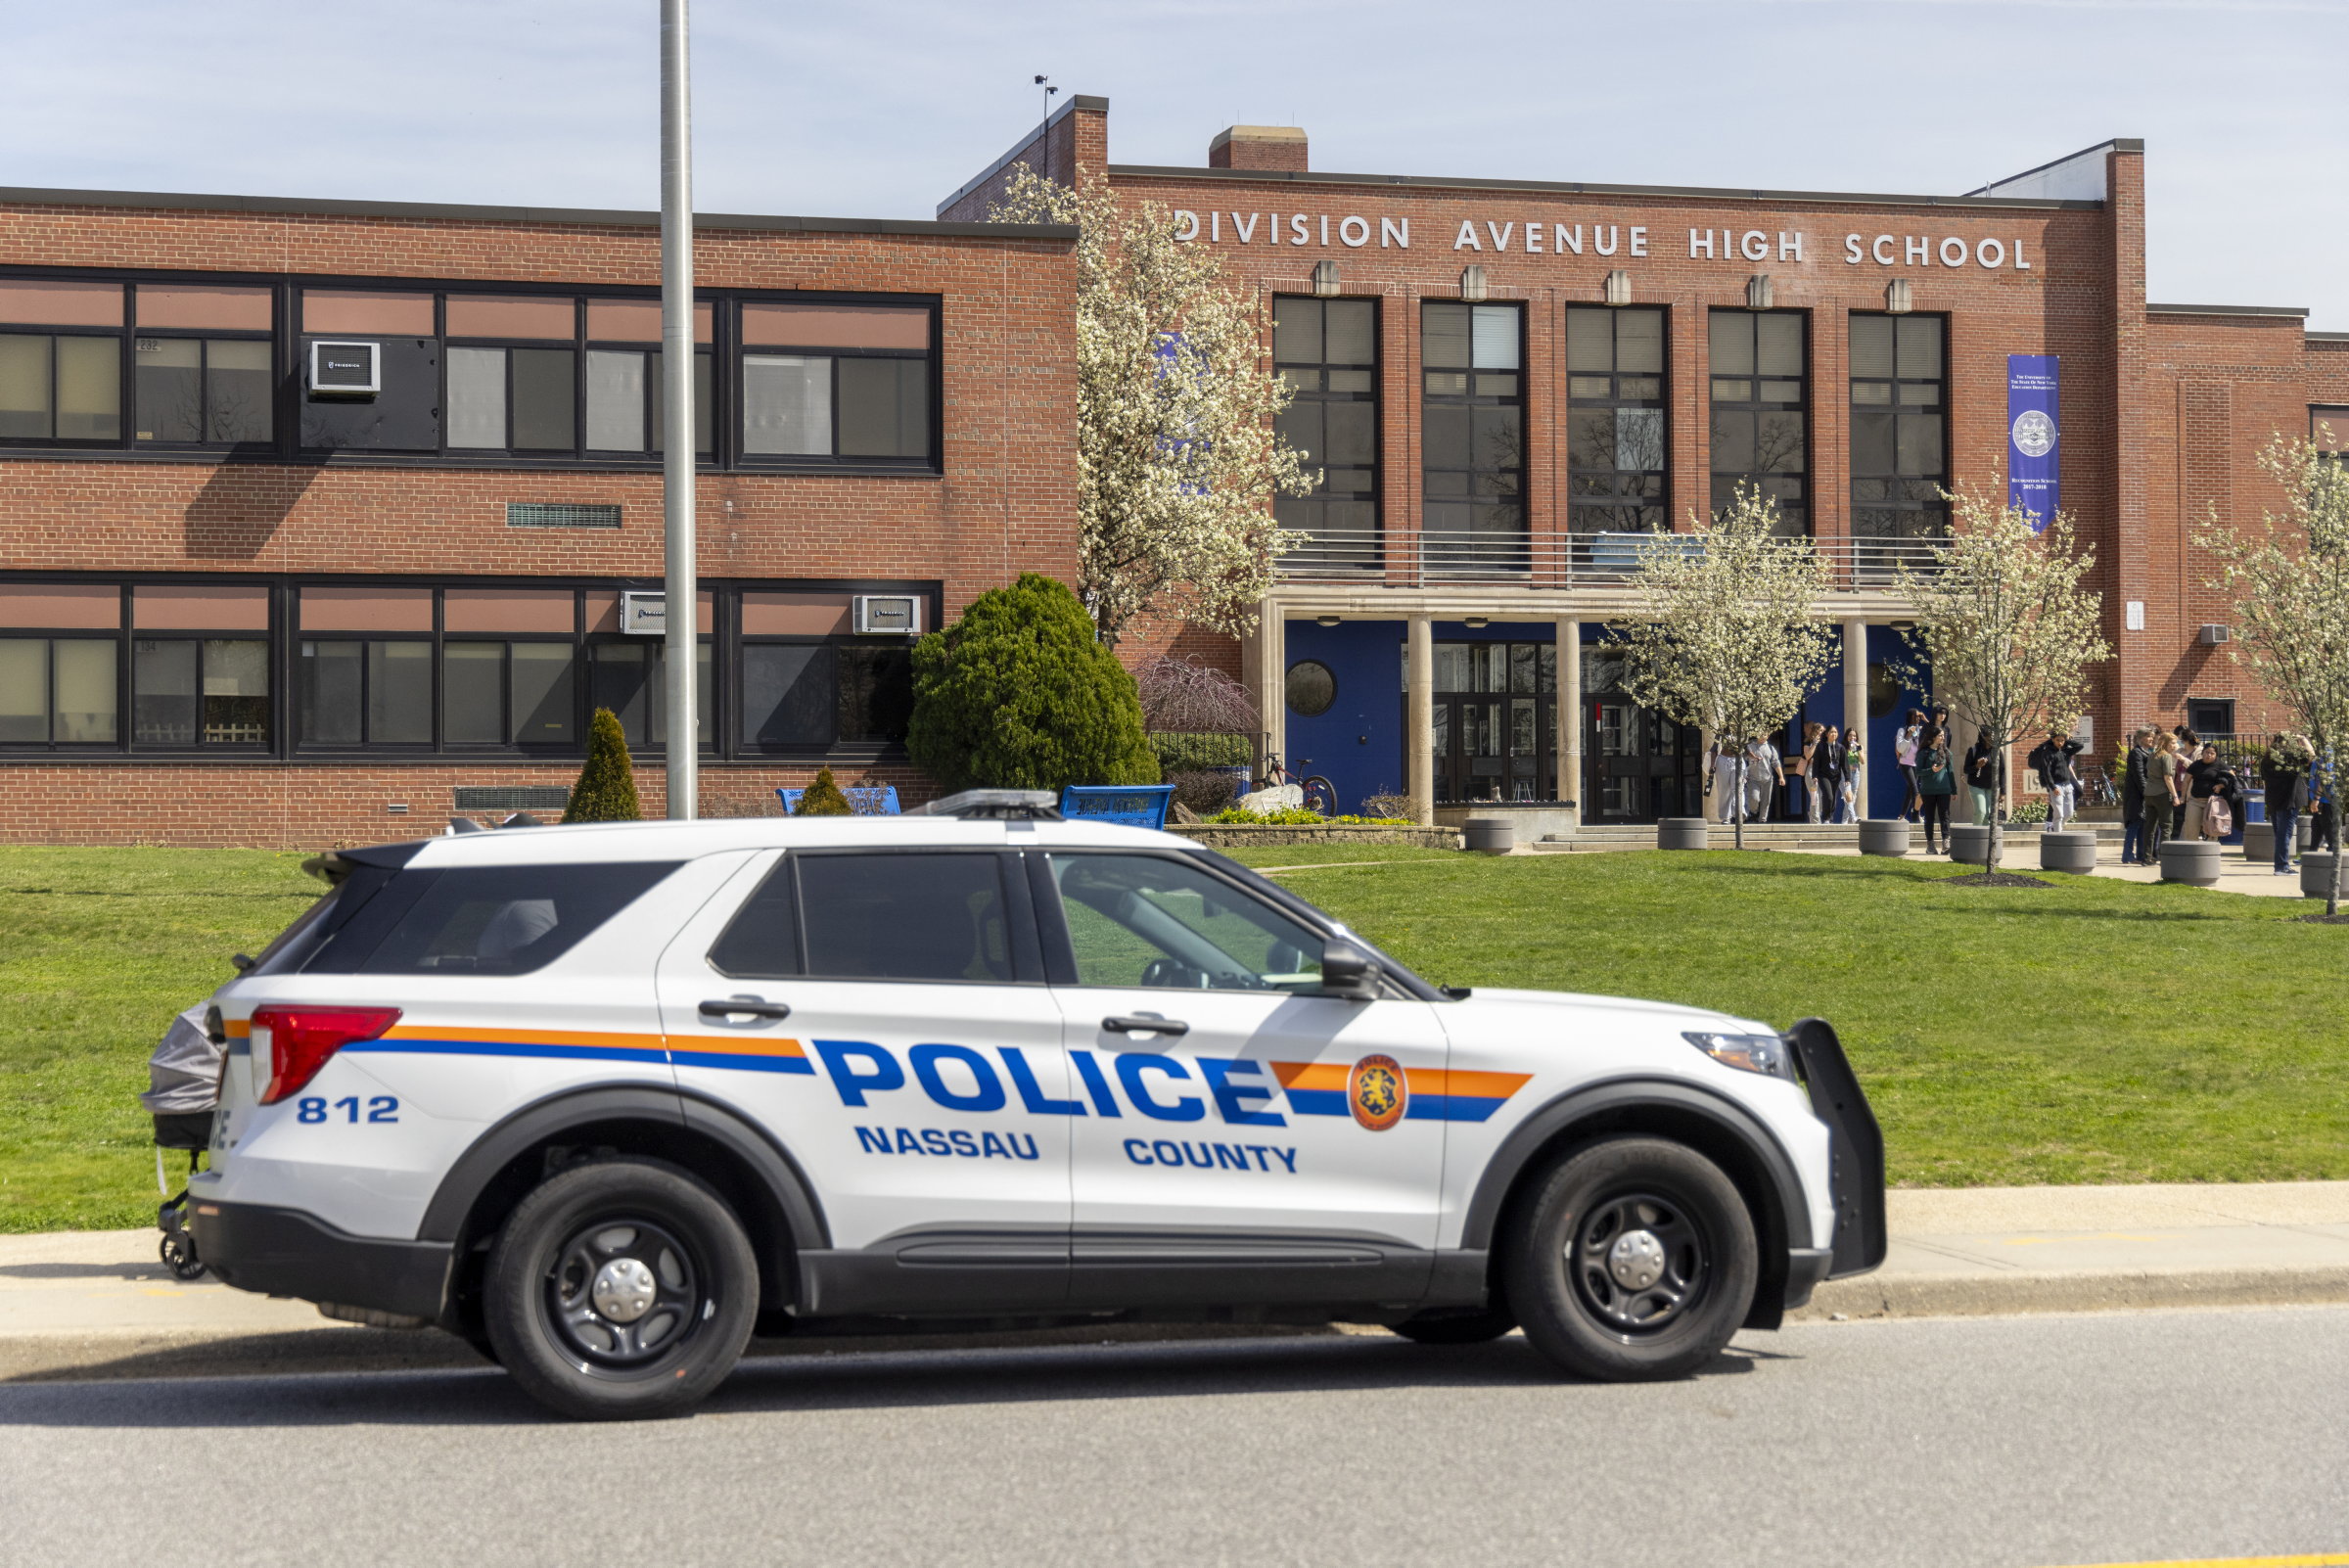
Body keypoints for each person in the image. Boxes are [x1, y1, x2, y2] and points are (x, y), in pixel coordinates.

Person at [2259, 732, 2312, 874]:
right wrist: (2303, 739)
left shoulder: (2267, 759)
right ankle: (2281, 866)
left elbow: (2264, 781)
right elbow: (2311, 755)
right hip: (2289, 799)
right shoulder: (2290, 757)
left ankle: (2281, 864)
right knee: (2284, 834)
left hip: (2273, 799)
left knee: (2280, 834)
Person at [2027, 725, 2086, 831]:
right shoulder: (2047, 753)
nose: (2060, 743)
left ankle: (2054, 826)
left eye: (2062, 740)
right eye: (2057, 740)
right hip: (2056, 785)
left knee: (2069, 814)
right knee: (2059, 814)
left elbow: (2080, 746)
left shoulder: (2065, 752)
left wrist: (2066, 740)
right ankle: (2057, 835)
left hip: (2067, 785)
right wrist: (2053, 787)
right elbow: (2046, 771)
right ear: (2052, 739)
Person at [2184, 744, 2237, 841]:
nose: (2209, 755)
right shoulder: (2196, 765)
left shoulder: (2220, 765)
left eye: (2212, 753)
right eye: (2207, 752)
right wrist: (2182, 797)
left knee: (2213, 829)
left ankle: (2210, 852)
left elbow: (2233, 778)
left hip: (2214, 803)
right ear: (2202, 753)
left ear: (2216, 755)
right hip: (2195, 801)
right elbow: (2186, 781)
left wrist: (2221, 785)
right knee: (2191, 828)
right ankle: (2192, 852)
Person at [1916, 726, 1957, 853]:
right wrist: (1931, 770)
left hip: (1944, 790)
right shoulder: (1924, 753)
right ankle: (1930, 845)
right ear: (1933, 737)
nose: (1943, 738)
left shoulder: (1947, 753)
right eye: (1940, 735)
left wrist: (1953, 790)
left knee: (1945, 816)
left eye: (1943, 736)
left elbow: (1951, 773)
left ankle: (1946, 844)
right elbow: (1918, 772)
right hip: (1928, 790)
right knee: (1929, 817)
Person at [2142, 731, 2181, 862]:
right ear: (2165, 743)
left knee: (2149, 827)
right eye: (2173, 743)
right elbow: (2168, 778)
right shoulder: (2166, 756)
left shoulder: (2152, 755)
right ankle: (2166, 858)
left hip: (2149, 793)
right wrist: (2175, 795)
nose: (2175, 745)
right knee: (2166, 826)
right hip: (2162, 794)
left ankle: (2146, 857)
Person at [2119, 727, 2154, 864]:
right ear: (2140, 739)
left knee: (2142, 824)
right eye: (2148, 736)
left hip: (2143, 794)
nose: (2151, 739)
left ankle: (2140, 855)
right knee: (2134, 824)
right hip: (2136, 795)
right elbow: (2139, 775)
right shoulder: (2136, 753)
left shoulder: (2147, 752)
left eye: (2152, 736)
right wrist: (2146, 792)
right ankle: (2127, 855)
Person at [1894, 710, 1926, 822]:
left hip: (1916, 764)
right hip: (1905, 763)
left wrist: (1925, 719)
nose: (1917, 719)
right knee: (1914, 789)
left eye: (1919, 717)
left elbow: (1934, 730)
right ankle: (1916, 815)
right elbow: (1900, 748)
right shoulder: (1902, 730)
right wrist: (1908, 735)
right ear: (1910, 717)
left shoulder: (1920, 730)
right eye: (1915, 716)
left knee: (1909, 791)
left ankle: (1901, 816)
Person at [1745, 732, 1783, 822]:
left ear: (1768, 736)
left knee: (1766, 801)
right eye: (1760, 734)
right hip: (1753, 778)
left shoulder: (1770, 748)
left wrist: (1781, 777)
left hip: (1767, 778)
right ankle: (1754, 812)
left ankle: (1762, 819)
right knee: (1754, 798)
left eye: (1765, 735)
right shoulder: (1749, 746)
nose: (1762, 737)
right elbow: (1743, 760)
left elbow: (1776, 763)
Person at [1813, 724, 1845, 826]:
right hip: (1823, 775)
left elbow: (1845, 764)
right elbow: (1816, 762)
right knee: (1829, 796)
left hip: (1836, 776)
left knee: (1834, 799)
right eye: (1831, 732)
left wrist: (1847, 778)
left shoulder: (1840, 747)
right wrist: (1814, 776)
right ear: (1826, 734)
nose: (1834, 734)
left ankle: (1830, 818)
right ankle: (1825, 818)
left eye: (1835, 732)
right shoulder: (1821, 746)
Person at [1962, 734, 1998, 825]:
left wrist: (2003, 792)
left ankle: (1985, 837)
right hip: (1976, 785)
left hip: (1990, 786)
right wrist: (1977, 766)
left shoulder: (1996, 751)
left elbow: (2002, 770)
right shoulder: (1974, 750)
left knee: (1988, 815)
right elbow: (1966, 769)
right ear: (1984, 737)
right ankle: (1975, 835)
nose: (1992, 738)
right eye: (1990, 735)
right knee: (1981, 811)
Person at [2171, 727, 2198, 839]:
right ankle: (2175, 839)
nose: (2180, 743)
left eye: (2182, 740)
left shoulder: (2199, 751)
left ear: (2186, 740)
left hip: (2190, 789)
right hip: (2177, 786)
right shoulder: (2179, 751)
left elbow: (2197, 768)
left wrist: (2183, 759)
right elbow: (2171, 767)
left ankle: (2186, 839)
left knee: (2188, 816)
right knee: (2177, 815)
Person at [1793, 721, 1823, 822]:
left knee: (1823, 797)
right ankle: (1815, 821)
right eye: (1821, 731)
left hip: (1822, 772)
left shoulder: (1825, 743)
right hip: (1811, 772)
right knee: (1815, 797)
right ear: (1815, 731)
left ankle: (1813, 815)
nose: (1823, 733)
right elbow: (1807, 756)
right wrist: (1814, 744)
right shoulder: (1808, 742)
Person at [1706, 736, 1741, 824]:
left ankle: (1737, 814)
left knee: (1736, 789)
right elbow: (1714, 749)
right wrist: (1712, 765)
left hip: (1737, 760)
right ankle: (1725, 817)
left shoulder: (1741, 729)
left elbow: (1746, 748)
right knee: (1723, 791)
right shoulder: (1721, 731)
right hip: (1723, 761)